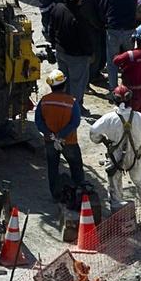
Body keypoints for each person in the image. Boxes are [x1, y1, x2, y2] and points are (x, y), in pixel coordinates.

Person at [89, 85, 141, 212]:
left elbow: (93, 132)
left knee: (114, 183)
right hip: (135, 155)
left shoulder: (108, 118)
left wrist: (103, 140)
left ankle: (118, 210)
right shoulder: (138, 117)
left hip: (115, 155)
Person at [34, 70, 85, 203]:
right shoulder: (71, 102)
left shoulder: (44, 101)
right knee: (76, 167)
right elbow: (75, 122)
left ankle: (56, 196)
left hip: (50, 141)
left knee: (53, 168)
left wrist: (50, 134)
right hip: (69, 142)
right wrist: (61, 135)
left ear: (51, 86)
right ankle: (79, 193)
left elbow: (38, 121)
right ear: (64, 85)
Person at [48, 0, 95, 112]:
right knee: (78, 83)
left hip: (60, 51)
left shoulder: (57, 8)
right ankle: (76, 107)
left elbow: (50, 29)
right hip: (76, 57)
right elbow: (84, 40)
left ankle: (64, 102)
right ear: (78, 0)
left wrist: (54, 44)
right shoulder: (78, 19)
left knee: (64, 80)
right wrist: (90, 53)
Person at [101, 0, 139, 90]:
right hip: (129, 30)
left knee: (112, 62)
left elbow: (102, 10)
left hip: (113, 31)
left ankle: (113, 89)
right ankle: (130, 86)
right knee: (130, 60)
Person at [113, 23, 141, 125]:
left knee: (129, 120)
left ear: (135, 39)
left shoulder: (130, 55)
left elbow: (116, 60)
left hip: (132, 95)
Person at [78, 0, 106, 79]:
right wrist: (99, 26)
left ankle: (94, 74)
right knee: (95, 53)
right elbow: (89, 14)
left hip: (90, 26)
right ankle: (91, 76)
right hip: (89, 28)